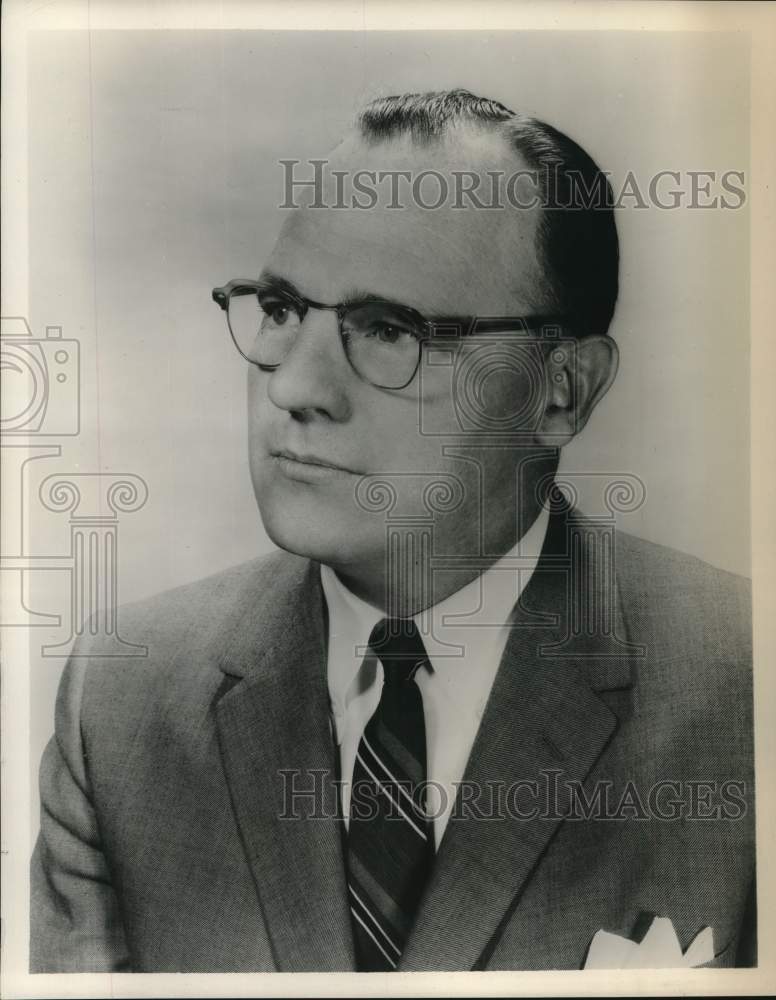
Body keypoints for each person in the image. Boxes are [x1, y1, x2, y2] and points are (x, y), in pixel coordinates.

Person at [31, 90, 754, 973]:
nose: (296, 389)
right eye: (285, 309)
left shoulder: (741, 695)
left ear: (561, 390)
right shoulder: (126, 703)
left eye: (389, 330)